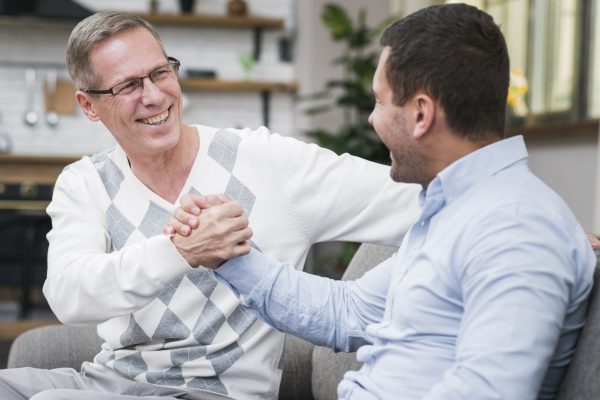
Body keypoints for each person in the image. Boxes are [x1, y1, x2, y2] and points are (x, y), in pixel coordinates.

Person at [177, 4, 596, 399]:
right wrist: (227, 255)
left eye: (379, 100)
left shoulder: (516, 229)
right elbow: (347, 310)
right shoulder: (456, 212)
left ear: (420, 115)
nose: (371, 119)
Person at [0, 11, 421, 400]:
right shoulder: (85, 182)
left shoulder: (268, 161)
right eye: (128, 85)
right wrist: (180, 251)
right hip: (109, 383)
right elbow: (70, 297)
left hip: (215, 393)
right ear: (89, 105)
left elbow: (418, 202)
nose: (154, 96)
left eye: (160, 73)